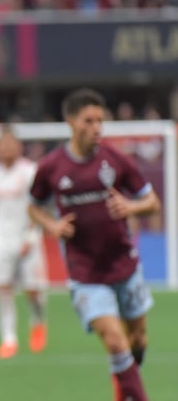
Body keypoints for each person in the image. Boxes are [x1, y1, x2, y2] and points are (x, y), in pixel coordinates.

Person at [28, 88, 160, 401]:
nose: (96, 127)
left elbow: (152, 202)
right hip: (85, 272)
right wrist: (53, 225)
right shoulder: (51, 167)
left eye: (100, 121)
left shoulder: (116, 160)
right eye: (89, 120)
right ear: (70, 122)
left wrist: (131, 207)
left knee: (137, 340)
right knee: (115, 341)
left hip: (124, 265)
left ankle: (122, 384)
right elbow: (33, 207)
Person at [0, 125, 48, 359]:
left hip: (27, 236)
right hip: (1, 238)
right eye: (2, 145)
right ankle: (8, 339)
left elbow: (38, 207)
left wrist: (31, 236)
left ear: (19, 146)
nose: (7, 149)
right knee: (3, 288)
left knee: (32, 290)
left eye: (11, 144)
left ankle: (38, 320)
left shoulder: (30, 171)